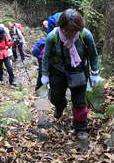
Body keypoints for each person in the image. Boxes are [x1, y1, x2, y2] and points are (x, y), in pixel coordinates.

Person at [41, 9, 100, 140]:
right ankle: (60, 105)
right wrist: (44, 75)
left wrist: (95, 73)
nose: (70, 34)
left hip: (79, 70)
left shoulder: (85, 35)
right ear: (61, 27)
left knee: (79, 101)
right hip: (58, 71)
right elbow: (46, 56)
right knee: (55, 97)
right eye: (67, 30)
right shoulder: (53, 37)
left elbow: (93, 55)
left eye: (74, 31)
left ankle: (80, 127)